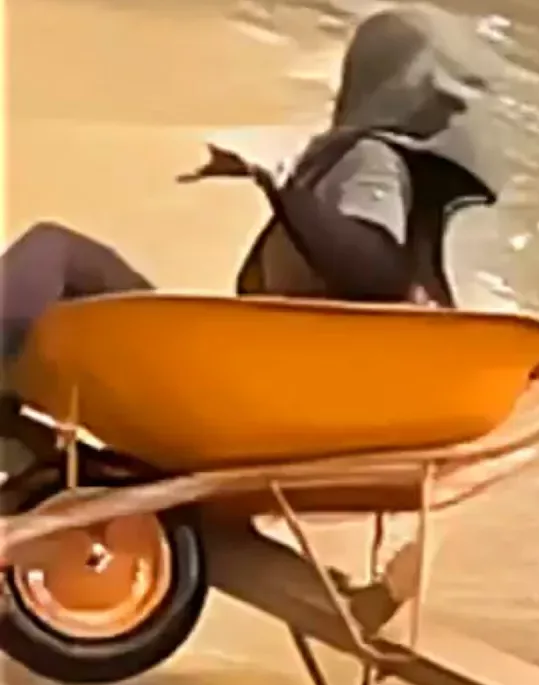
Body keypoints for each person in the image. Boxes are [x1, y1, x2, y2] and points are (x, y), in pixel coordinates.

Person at [0, 5, 509, 462]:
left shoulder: (372, 157)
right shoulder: (402, 171)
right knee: (76, 271)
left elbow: (377, 273)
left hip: (279, 396)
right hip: (309, 384)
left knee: (56, 250)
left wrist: (278, 184)